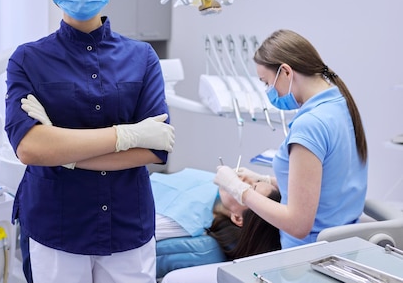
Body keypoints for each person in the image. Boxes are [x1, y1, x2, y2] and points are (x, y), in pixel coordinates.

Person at [4, 0, 175, 283]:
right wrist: (127, 134)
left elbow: (155, 148)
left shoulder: (142, 57)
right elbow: (30, 148)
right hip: (57, 224)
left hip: (128, 224)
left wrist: (62, 150)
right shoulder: (27, 59)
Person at [214, 29, 368, 249]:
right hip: (342, 249)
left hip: (307, 257)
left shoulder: (310, 125)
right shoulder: (340, 106)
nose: (269, 92)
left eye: (267, 83)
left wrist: (239, 190)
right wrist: (266, 180)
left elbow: (298, 224)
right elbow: (328, 185)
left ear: (286, 72)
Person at [151, 168, 280, 278]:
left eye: (250, 188)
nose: (245, 178)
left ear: (238, 218)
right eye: (257, 180)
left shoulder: (202, 246)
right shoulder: (211, 186)